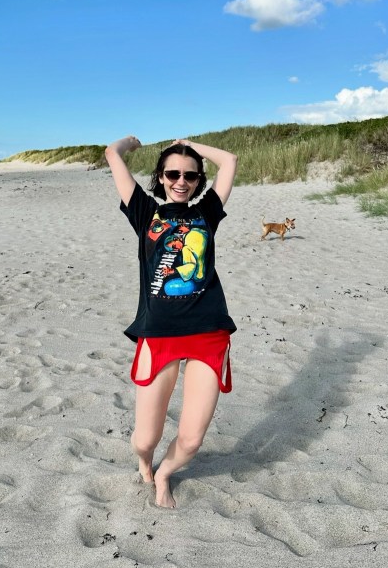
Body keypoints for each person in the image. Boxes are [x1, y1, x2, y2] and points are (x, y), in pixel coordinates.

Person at [105, 135, 237, 508]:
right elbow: (111, 155)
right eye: (173, 173)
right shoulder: (146, 212)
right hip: (158, 334)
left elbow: (229, 161)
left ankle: (165, 473)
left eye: (191, 176)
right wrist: (128, 144)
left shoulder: (207, 212)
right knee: (145, 438)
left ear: (198, 181)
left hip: (208, 332)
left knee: (192, 439)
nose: (182, 181)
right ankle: (146, 462)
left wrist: (191, 144)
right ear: (160, 177)